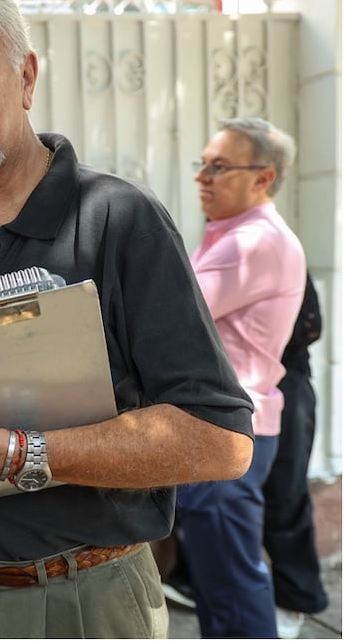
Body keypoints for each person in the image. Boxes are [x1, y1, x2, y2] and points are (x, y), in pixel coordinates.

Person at [0, 0, 255, 637]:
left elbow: (220, 443)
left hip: (76, 599)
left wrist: (10, 452)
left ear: (25, 76)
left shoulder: (117, 218)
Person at [178, 117, 307, 638]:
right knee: (219, 582)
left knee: (231, 585)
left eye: (220, 166)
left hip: (229, 431)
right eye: (203, 163)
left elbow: (171, 317)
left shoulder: (251, 243)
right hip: (227, 427)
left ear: (263, 178)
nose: (203, 176)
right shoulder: (233, 235)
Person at [265, 273, 328, 638]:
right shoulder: (216, 253)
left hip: (287, 388)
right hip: (237, 392)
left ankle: (295, 601)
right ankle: (192, 579)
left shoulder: (285, 257)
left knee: (286, 498)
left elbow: (311, 328)